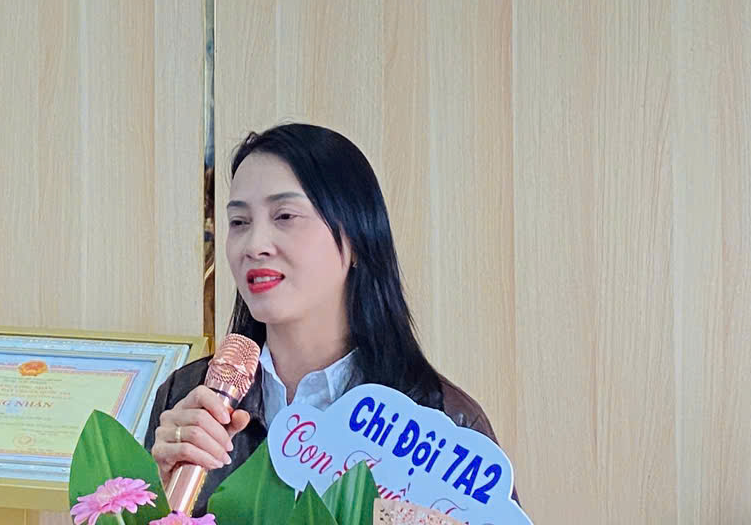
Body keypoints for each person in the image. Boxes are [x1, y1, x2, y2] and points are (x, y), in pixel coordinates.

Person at [146, 122, 494, 501]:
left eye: (285, 216)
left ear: (357, 237)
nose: (254, 245)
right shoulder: (186, 395)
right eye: (239, 222)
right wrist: (156, 489)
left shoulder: (443, 420)